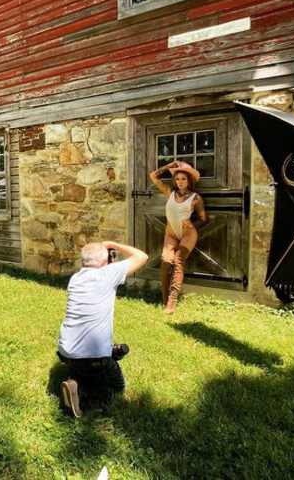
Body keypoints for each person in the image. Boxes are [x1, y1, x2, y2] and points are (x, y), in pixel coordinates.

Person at [57, 241, 148, 417]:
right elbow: (142, 257)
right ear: (106, 260)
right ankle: (87, 394)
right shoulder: (108, 274)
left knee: (82, 366)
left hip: (65, 352)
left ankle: (75, 382)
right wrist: (113, 244)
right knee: (117, 386)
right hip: (94, 358)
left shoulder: (75, 279)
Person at [149, 161, 208, 314]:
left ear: (189, 181)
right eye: (177, 179)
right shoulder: (170, 193)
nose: (180, 182)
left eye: (183, 179)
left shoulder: (195, 198)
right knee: (165, 261)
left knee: (178, 261)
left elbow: (203, 218)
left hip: (188, 234)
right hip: (171, 233)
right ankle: (164, 299)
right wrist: (170, 165)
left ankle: (172, 302)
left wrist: (192, 223)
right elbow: (153, 176)